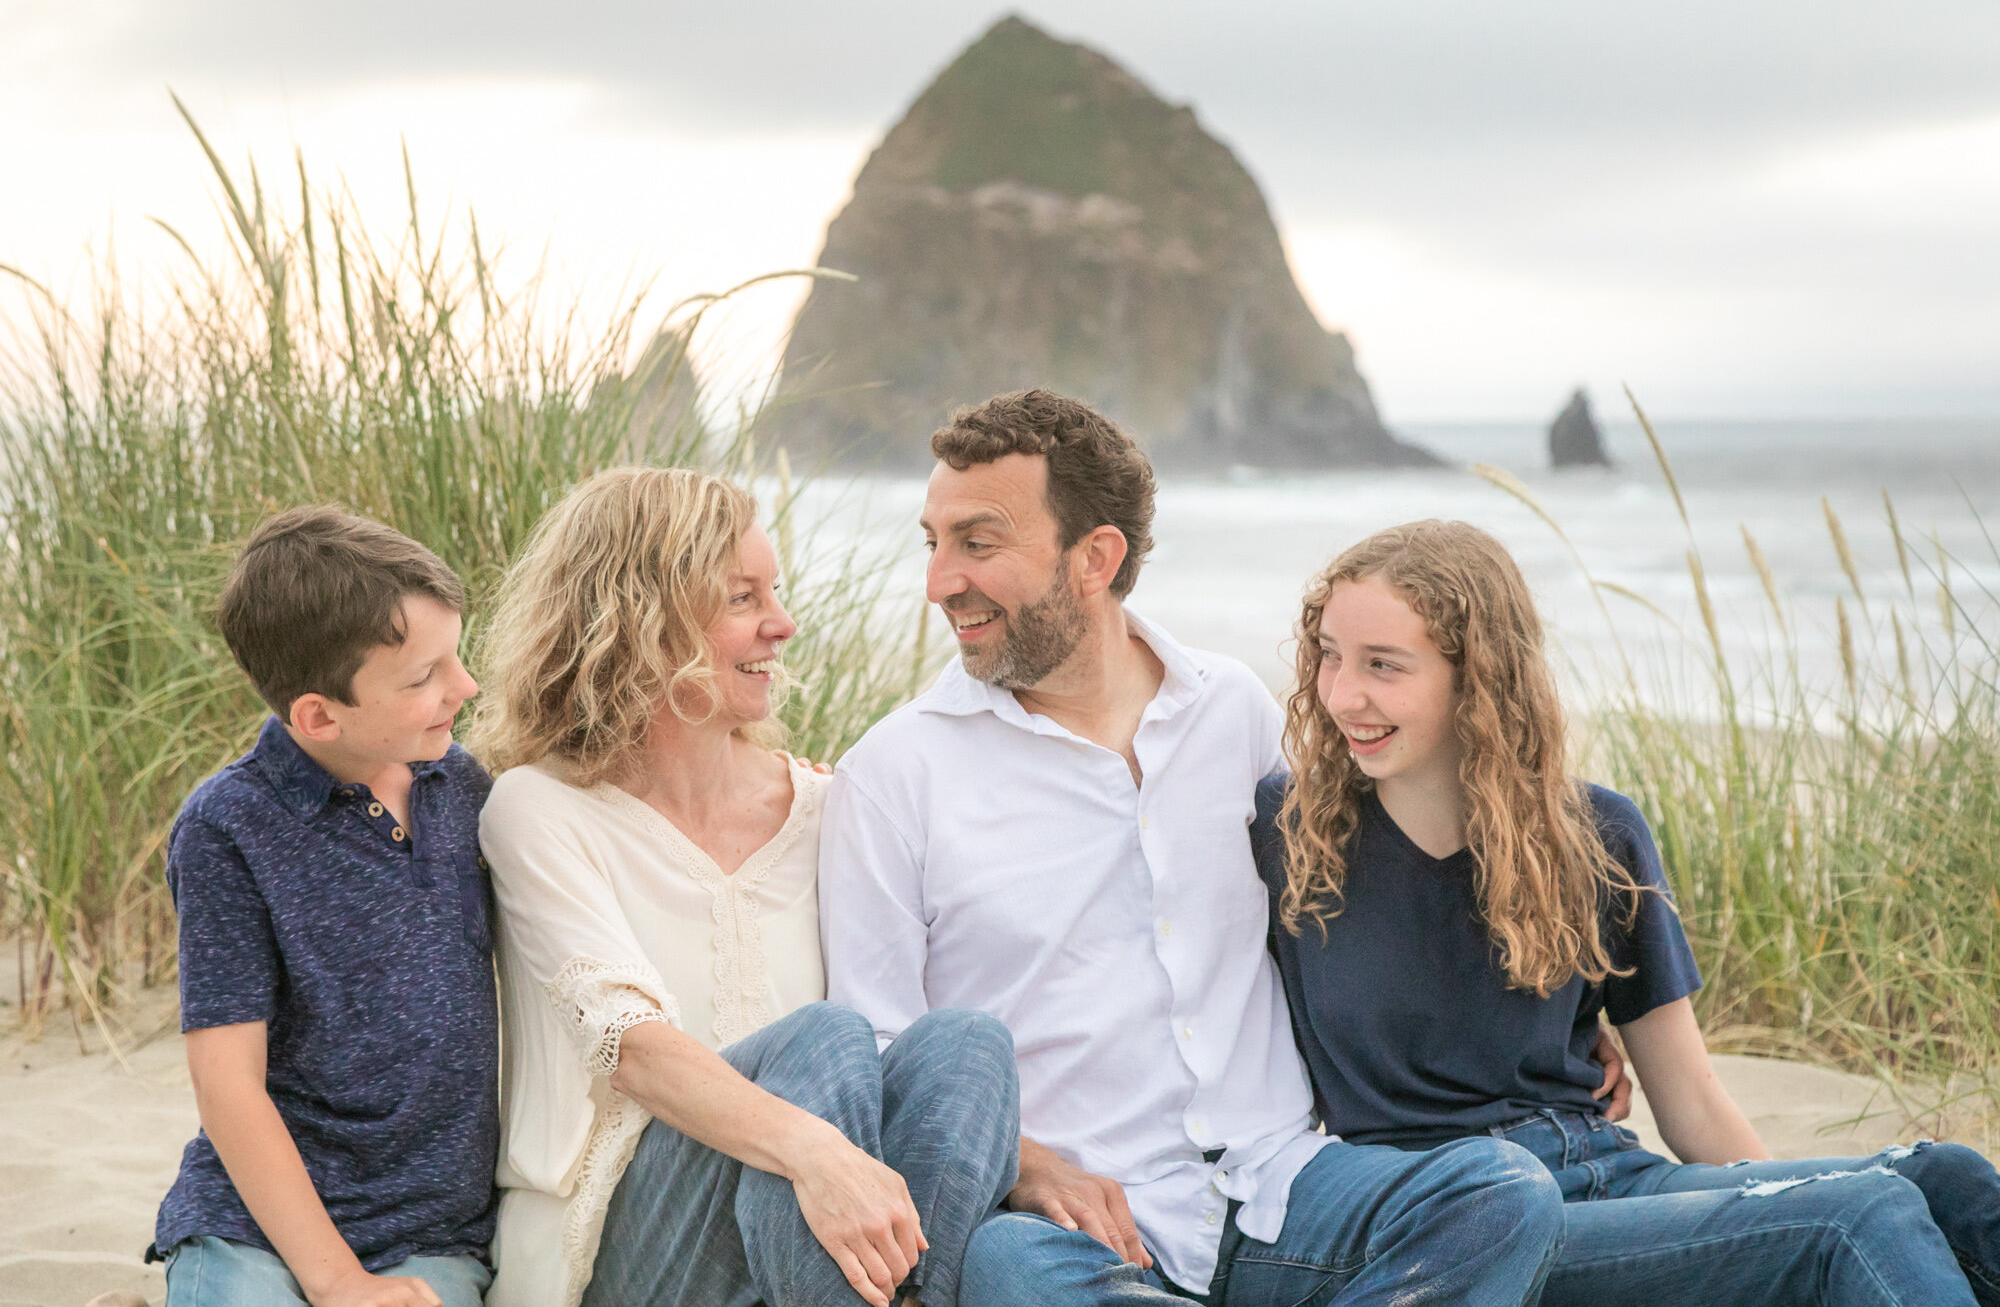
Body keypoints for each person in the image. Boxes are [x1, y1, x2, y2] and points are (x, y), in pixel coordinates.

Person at [821, 390, 1565, 1306]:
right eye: (932, 542)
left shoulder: (1233, 707)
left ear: (1095, 558)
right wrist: (1027, 1164)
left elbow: (1358, 888)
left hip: (1282, 1185)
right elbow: (882, 1049)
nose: (940, 580)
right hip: (1080, 1234)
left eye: (977, 543)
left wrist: (1565, 1020)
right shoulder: (892, 773)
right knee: (1009, 1268)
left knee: (1503, 1192)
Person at [1254, 518, 2000, 1307]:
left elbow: (1691, 1102)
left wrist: (1768, 1207)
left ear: (1478, 676)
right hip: (1471, 1220)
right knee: (1860, 1215)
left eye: (1382, 664)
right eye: (1329, 654)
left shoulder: (1597, 833)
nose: (1342, 694)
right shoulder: (1285, 834)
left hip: (1615, 1178)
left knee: (1945, 1180)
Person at [470, 466, 1019, 1307]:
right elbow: (631, 1049)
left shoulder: (827, 807)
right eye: (742, 598)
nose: (783, 623)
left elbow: (901, 1032)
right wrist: (815, 1150)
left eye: (777, 591)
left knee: (967, 1043)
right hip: (616, 1250)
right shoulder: (539, 808)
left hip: (796, 1247)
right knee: (820, 1041)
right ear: (641, 620)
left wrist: (1031, 1160)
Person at [150, 507, 498, 1307]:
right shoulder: (227, 828)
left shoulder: (465, 788)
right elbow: (226, 1082)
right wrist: (337, 1280)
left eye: (457, 656)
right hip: (255, 1222)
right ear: (318, 715)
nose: (466, 686)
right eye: (425, 677)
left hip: (428, 1229)